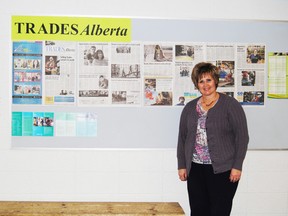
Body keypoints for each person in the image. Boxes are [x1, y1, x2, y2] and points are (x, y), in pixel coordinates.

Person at [177, 62, 249, 216]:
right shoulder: (189, 108)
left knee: (219, 211)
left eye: (208, 80)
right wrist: (182, 165)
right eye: (201, 81)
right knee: (198, 211)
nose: (205, 84)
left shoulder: (231, 105)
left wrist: (237, 166)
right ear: (197, 84)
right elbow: (182, 138)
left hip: (223, 170)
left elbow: (242, 137)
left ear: (215, 80)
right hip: (195, 169)